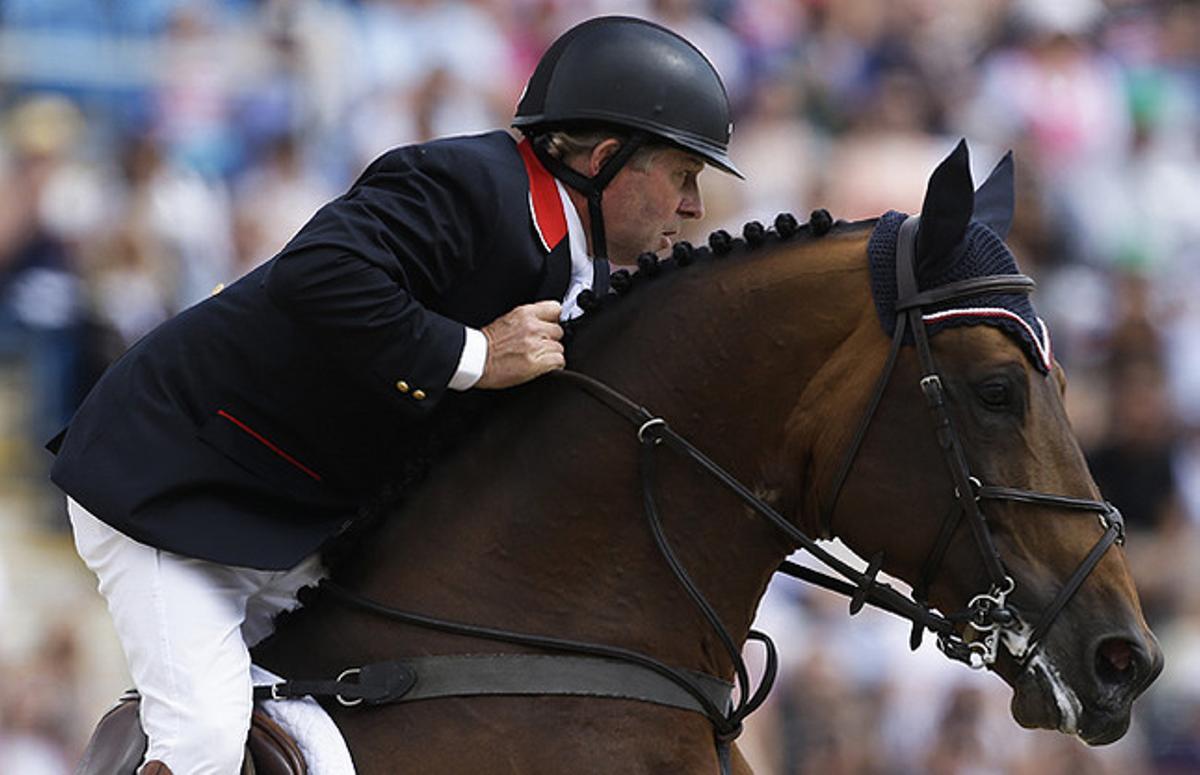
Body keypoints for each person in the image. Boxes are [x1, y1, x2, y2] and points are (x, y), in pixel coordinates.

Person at [48, 15, 742, 775]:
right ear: (607, 160)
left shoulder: (584, 269)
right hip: (177, 490)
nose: (693, 207)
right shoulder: (470, 185)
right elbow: (319, 273)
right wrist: (475, 353)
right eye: (682, 173)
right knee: (205, 744)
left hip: (296, 523)